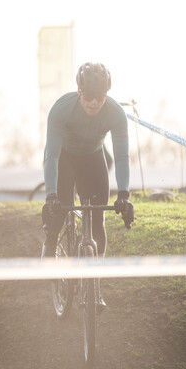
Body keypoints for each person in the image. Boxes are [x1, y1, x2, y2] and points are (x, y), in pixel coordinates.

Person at [41, 62, 134, 308]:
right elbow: (51, 156)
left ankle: (94, 288)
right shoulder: (61, 109)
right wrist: (51, 196)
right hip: (63, 158)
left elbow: (122, 156)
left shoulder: (115, 113)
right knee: (58, 211)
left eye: (101, 97)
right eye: (90, 97)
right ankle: (50, 242)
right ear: (79, 92)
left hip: (93, 158)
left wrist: (124, 194)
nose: (95, 103)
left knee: (97, 223)